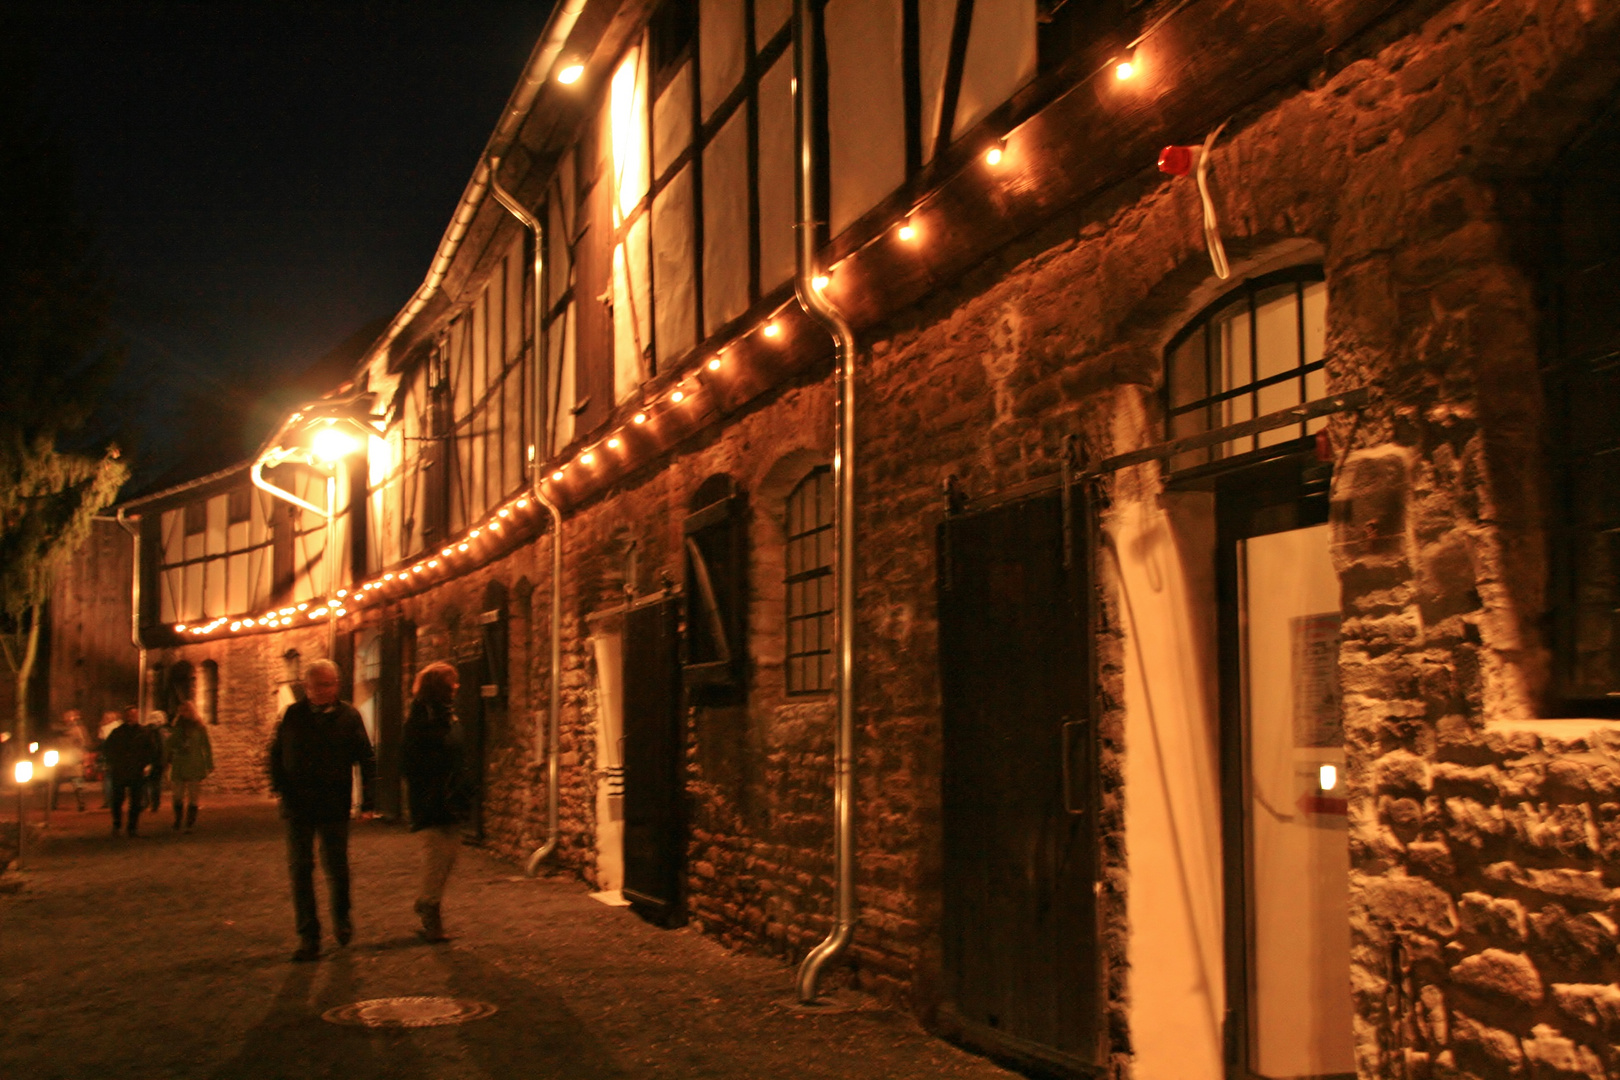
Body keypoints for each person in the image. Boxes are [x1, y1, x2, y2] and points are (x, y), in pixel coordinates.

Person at [267, 659, 375, 962]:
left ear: (336, 686)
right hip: (298, 805)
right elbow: (277, 751)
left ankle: (341, 918)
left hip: (333, 803)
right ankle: (308, 935)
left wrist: (367, 802)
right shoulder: (293, 715)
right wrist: (279, 785)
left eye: (327, 685)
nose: (321, 691)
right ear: (306, 686)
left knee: (336, 867)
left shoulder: (349, 717)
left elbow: (365, 759)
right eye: (315, 685)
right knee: (300, 869)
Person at [401, 661, 470, 943]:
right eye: (451, 683)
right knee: (436, 856)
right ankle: (430, 910)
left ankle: (428, 901)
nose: (456, 687)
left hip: (451, 796)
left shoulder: (447, 716)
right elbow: (411, 762)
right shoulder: (422, 719)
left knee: (450, 854)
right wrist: (430, 789)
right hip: (431, 798)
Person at [101, 707, 158, 836]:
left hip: (136, 770)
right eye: (129, 714)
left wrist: (146, 764)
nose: (131, 717)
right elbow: (108, 749)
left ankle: (132, 827)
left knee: (135, 801)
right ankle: (117, 824)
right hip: (120, 770)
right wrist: (113, 763)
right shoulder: (117, 733)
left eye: (133, 714)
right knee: (117, 800)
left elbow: (151, 750)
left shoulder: (144, 733)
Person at [166, 702, 213, 832]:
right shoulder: (177, 726)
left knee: (193, 795)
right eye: (181, 711)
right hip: (180, 763)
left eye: (185, 710)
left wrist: (209, 763)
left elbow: (206, 746)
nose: (183, 713)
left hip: (194, 763)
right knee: (177, 795)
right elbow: (170, 744)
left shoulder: (199, 727)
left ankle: (190, 822)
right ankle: (178, 820)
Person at [143, 710, 170, 812]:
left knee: (145, 782)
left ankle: (146, 802)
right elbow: (164, 748)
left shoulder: (144, 730)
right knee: (156, 783)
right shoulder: (162, 732)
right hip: (158, 761)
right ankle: (155, 804)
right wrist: (166, 761)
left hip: (146, 761)